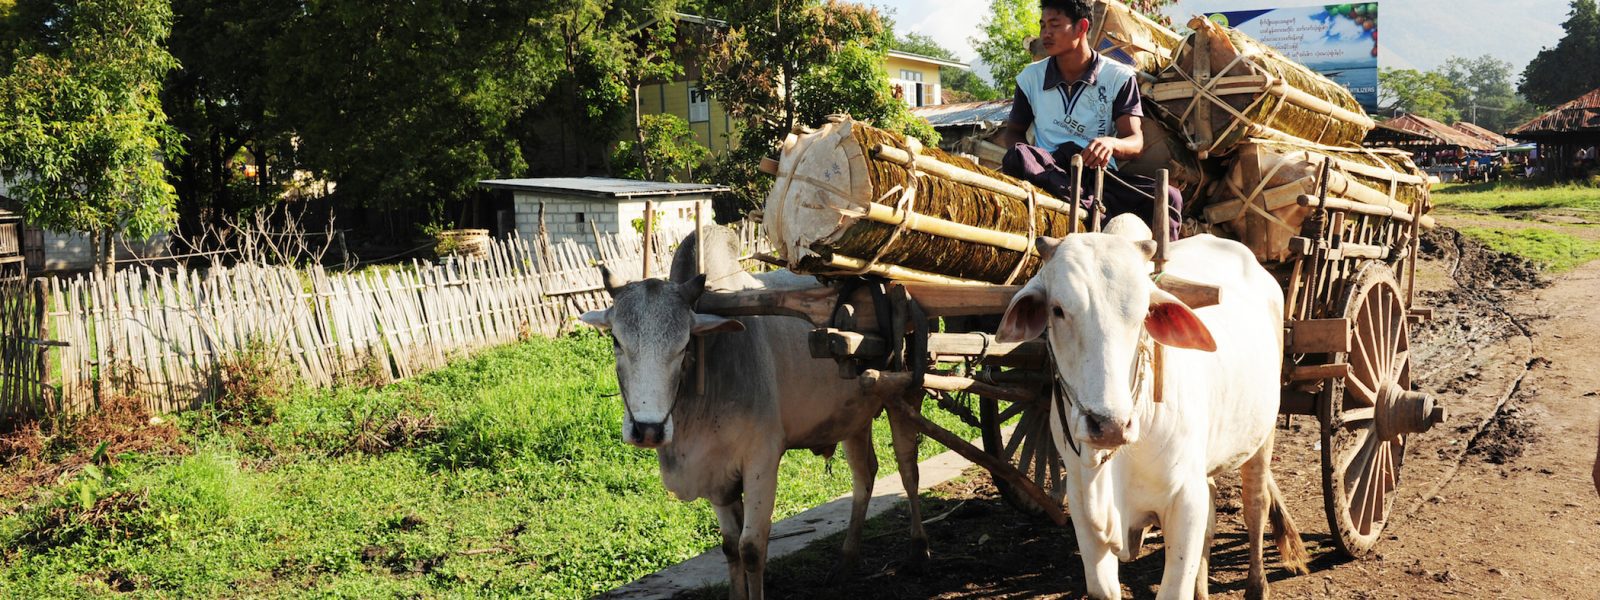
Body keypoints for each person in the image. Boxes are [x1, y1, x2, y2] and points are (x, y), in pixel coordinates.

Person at [996, 0, 1181, 239]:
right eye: (1042, 26)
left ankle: (1160, 270)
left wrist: (1111, 144)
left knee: (1168, 198)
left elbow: (1135, 141)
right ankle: (1081, 198)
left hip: (1099, 176)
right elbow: (1013, 132)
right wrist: (1035, 160)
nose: (1045, 34)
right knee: (1018, 155)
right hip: (1049, 169)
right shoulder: (1030, 77)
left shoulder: (1118, 77)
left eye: (1054, 25)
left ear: (1081, 27)